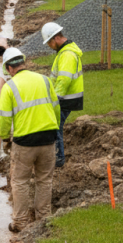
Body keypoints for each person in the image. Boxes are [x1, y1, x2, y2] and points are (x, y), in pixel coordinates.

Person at [0, 47, 60, 233]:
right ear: (23, 63)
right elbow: (56, 108)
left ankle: (20, 223)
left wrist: (5, 138)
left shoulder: (9, 87)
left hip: (25, 141)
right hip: (48, 138)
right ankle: (44, 218)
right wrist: (54, 128)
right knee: (45, 180)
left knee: (20, 181)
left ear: (9, 68)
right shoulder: (44, 80)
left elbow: (4, 118)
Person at [41, 22, 84, 168]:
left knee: (55, 127)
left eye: (49, 43)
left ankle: (58, 159)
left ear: (56, 38)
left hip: (65, 98)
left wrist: (55, 99)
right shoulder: (65, 52)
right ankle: (56, 157)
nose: (49, 46)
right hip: (66, 97)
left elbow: (64, 80)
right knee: (55, 126)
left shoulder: (67, 54)